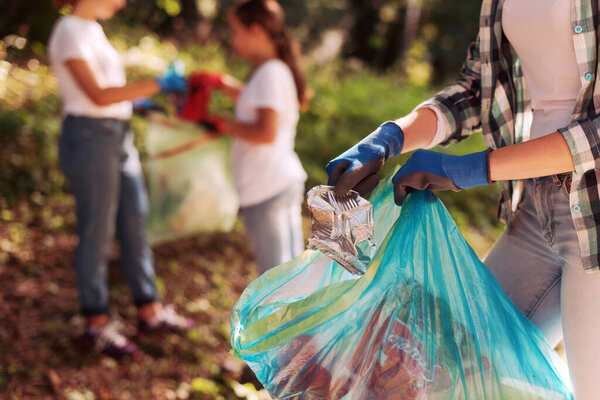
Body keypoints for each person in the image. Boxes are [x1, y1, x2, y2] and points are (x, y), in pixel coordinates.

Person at [326, 0, 600, 398]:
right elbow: (476, 89)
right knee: (451, 373)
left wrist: (475, 167)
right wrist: (389, 139)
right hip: (539, 209)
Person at [48, 0, 194, 358]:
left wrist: (138, 104)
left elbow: (109, 93)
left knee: (134, 223)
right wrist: (155, 85)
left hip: (118, 134)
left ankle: (149, 310)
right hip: (89, 137)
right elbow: (96, 95)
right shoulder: (68, 31)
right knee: (97, 231)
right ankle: (95, 323)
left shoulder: (93, 29)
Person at [208, 0, 308, 273]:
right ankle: (291, 317)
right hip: (274, 182)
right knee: (288, 274)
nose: (233, 39)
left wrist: (220, 124)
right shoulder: (270, 70)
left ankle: (280, 319)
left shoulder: (270, 73)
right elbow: (257, 103)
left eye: (236, 31)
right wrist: (223, 84)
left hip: (267, 187)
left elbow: (265, 132)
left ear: (257, 31)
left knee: (275, 278)